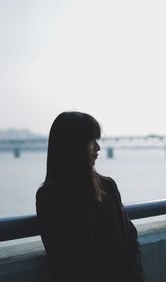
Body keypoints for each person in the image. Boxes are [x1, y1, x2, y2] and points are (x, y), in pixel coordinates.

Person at [36, 111, 145, 282]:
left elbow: (130, 237)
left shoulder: (108, 186)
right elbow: (65, 261)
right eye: (91, 141)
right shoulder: (50, 197)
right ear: (73, 145)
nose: (98, 148)